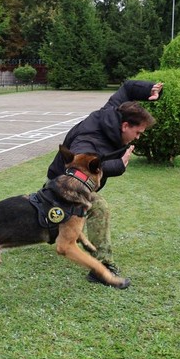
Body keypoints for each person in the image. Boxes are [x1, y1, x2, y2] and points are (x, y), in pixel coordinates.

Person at [47, 79, 162, 284]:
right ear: (125, 125)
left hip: (64, 180)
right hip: (65, 180)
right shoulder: (89, 138)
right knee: (98, 207)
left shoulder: (114, 111)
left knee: (53, 218)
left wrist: (148, 90)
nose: (137, 138)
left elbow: (127, 88)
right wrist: (118, 165)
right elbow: (76, 166)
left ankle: (51, 223)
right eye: (137, 133)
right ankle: (102, 268)